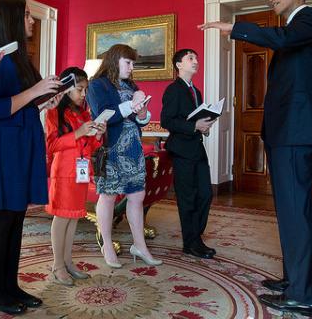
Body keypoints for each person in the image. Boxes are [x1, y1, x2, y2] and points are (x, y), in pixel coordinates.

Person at [200, 0, 312, 317]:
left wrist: (236, 28)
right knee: (289, 212)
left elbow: (283, 40)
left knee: (295, 213)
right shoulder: (297, 27)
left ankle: (303, 296)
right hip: (287, 131)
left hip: (294, 130)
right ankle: (295, 281)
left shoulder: (309, 20)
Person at [0, 0, 62, 315]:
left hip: (24, 138)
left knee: (16, 216)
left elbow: (23, 103)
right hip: (4, 144)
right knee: (2, 216)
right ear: (11, 18)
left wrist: (46, 99)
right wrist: (35, 92)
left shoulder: (20, 58)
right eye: (26, 15)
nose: (31, 20)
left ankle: (11, 286)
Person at [86, 43, 162, 268]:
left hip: (133, 149)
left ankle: (140, 245)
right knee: (108, 197)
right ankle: (107, 245)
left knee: (137, 197)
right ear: (115, 59)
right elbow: (103, 115)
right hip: (111, 148)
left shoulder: (131, 84)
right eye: (128, 63)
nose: (131, 68)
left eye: (133, 64)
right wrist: (132, 103)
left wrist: (142, 113)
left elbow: (140, 120)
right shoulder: (96, 85)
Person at [45, 67, 106, 286]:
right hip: (63, 173)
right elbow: (52, 145)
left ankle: (68, 262)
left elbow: (89, 146)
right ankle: (57, 265)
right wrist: (78, 133)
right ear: (66, 89)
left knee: (73, 218)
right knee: (62, 218)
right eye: (79, 89)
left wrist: (97, 135)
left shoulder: (84, 113)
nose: (83, 94)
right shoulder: (54, 112)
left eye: (85, 90)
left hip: (81, 172)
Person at [160, 48, 217, 260]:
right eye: (190, 58)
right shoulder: (173, 90)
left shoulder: (196, 91)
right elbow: (167, 120)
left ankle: (196, 238)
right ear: (178, 65)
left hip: (197, 148)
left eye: (197, 58)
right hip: (182, 150)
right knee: (188, 198)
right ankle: (191, 243)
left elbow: (195, 119)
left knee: (206, 194)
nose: (196, 61)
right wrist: (194, 126)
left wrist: (205, 127)